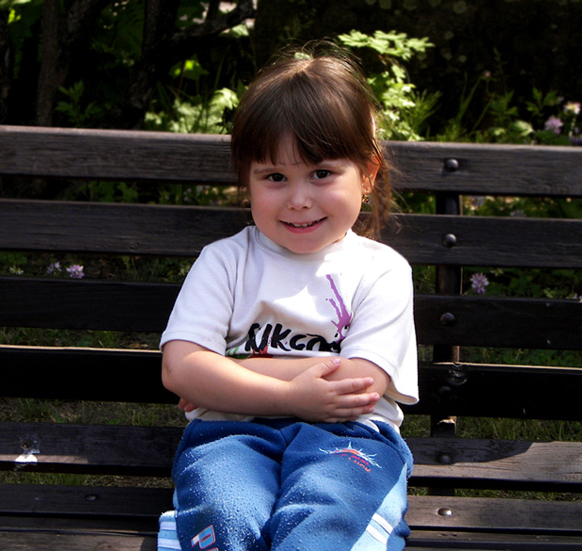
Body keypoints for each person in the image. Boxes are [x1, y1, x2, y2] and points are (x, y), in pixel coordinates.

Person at [157, 42, 419, 551]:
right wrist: (288, 395)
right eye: (276, 177)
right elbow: (179, 370)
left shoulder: (381, 270)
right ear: (249, 181)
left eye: (321, 174)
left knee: (329, 513)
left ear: (367, 173)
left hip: (349, 439)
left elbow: (361, 385)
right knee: (225, 512)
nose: (299, 199)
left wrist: (226, 373)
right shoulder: (224, 262)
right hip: (230, 436)